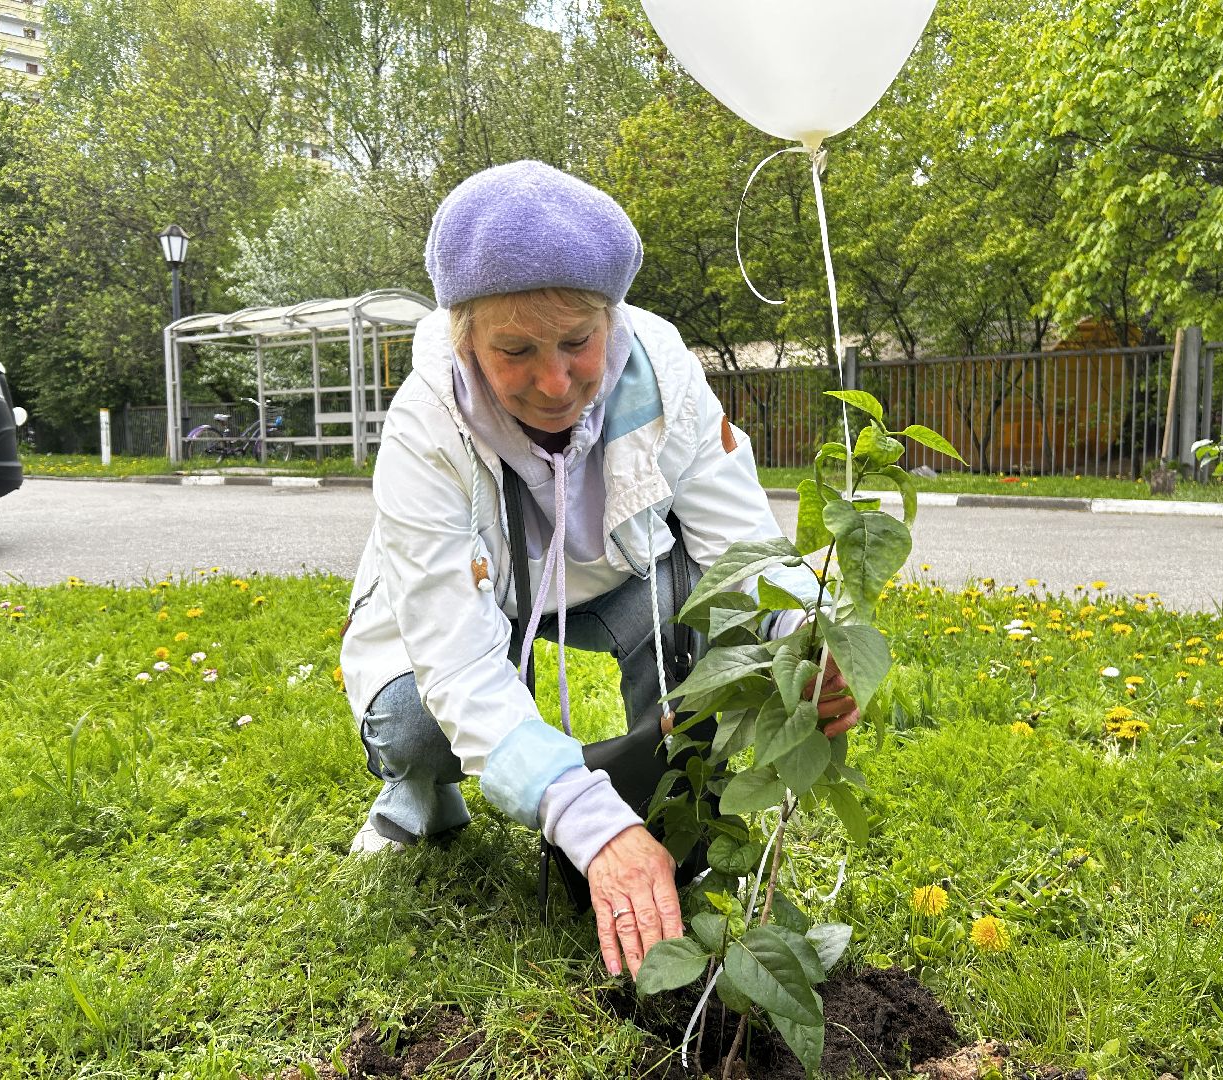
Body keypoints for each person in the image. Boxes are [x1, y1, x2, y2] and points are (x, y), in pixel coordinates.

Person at [339, 160, 858, 980]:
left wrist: (806, 638)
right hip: (479, 590)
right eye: (514, 350)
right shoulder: (422, 428)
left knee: (707, 617)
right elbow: (459, 660)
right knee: (412, 716)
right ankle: (423, 800)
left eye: (578, 343)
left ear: (610, 319)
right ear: (463, 337)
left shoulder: (663, 372)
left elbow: (742, 545)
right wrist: (584, 821)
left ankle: (669, 805)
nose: (554, 382)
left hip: (615, 574)